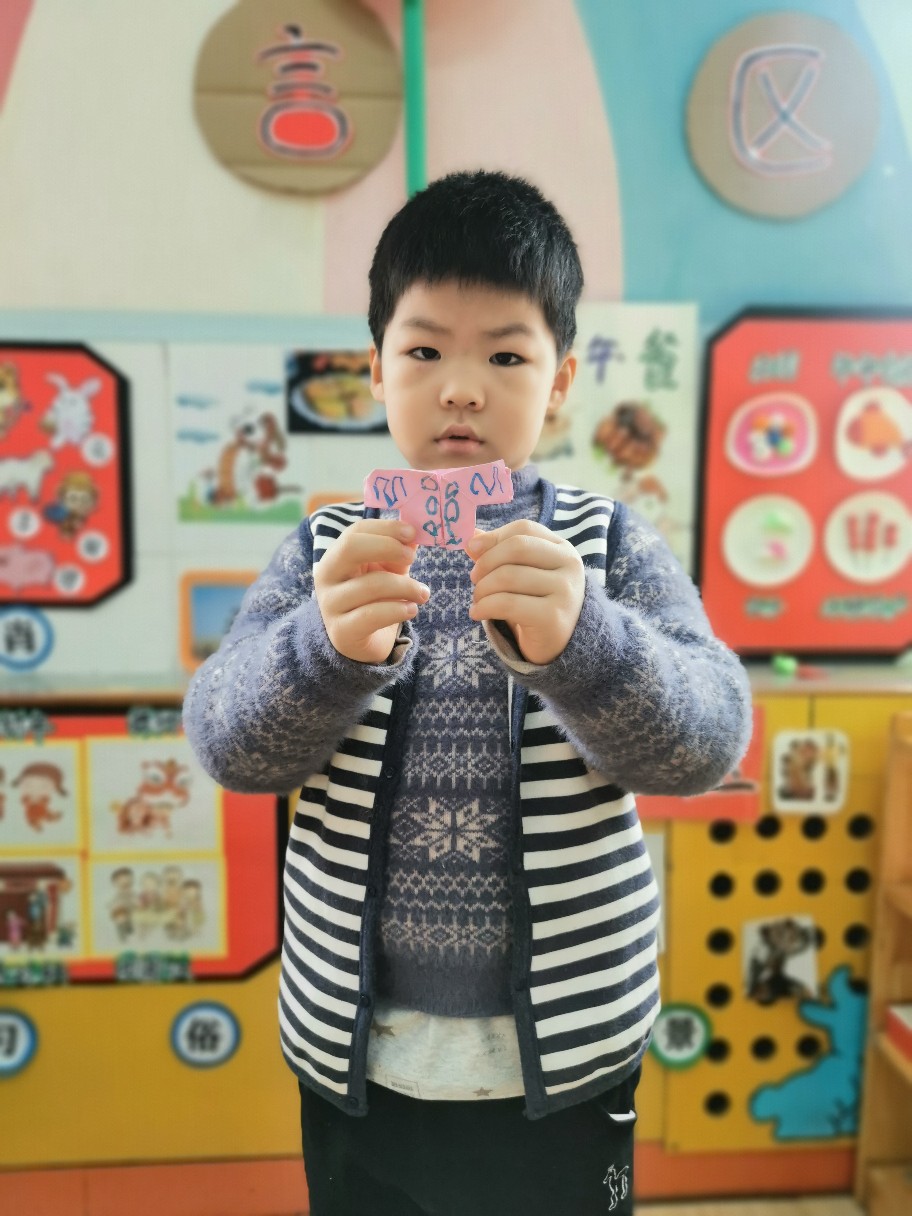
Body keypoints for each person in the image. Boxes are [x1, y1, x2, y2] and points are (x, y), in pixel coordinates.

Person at [182, 170, 752, 1216]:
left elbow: (707, 743)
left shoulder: (606, 544)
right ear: (374, 368)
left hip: (572, 1050)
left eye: (505, 355)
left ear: (561, 379)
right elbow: (229, 746)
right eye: (424, 351)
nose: (461, 389)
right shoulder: (325, 552)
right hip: (355, 1050)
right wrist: (321, 651)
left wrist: (588, 643)